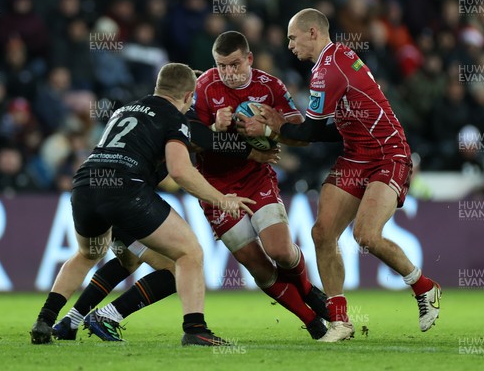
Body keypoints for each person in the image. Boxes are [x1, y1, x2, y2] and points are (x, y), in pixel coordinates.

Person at [57, 31, 332, 343]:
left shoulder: (270, 86)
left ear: (249, 59)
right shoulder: (202, 87)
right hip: (211, 185)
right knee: (251, 264)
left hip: (255, 180)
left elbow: (301, 134)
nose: (228, 72)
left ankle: (309, 292)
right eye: (221, 65)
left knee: (280, 251)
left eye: (234, 65)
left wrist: (269, 127)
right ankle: (311, 321)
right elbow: (195, 138)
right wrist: (217, 127)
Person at [249, 9, 441, 342]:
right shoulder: (334, 60)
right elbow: (329, 133)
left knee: (366, 236)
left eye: (293, 37)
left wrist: (272, 126)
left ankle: (425, 288)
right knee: (323, 233)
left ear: (312, 33)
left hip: (387, 153)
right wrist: (278, 127)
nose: (289, 44)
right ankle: (340, 322)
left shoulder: (328, 70)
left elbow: (308, 134)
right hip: (355, 154)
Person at [30, 63, 255, 347]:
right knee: (188, 254)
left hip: (86, 184)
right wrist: (222, 200)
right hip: (125, 191)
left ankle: (47, 319)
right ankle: (195, 329)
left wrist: (213, 129)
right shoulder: (175, 118)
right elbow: (180, 171)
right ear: (188, 96)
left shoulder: (126, 109)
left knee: (91, 255)